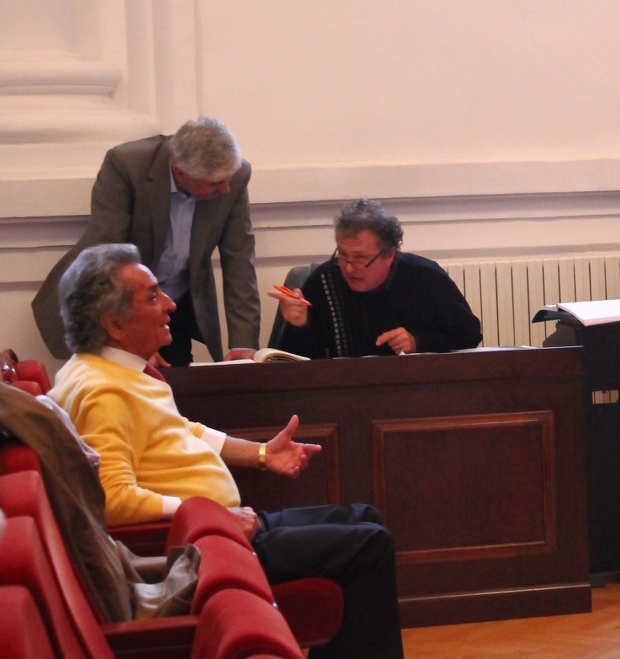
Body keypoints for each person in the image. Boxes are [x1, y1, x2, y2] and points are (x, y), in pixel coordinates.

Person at [48, 243, 404, 658]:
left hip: (222, 527)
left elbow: (182, 430)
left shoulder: (108, 371)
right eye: (152, 297)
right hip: (207, 548)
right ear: (115, 324)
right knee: (369, 544)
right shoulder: (102, 393)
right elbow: (113, 500)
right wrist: (213, 517)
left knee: (365, 516)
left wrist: (261, 454)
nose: (170, 304)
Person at [32, 117, 260, 366]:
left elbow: (240, 261)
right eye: (215, 183)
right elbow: (107, 259)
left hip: (175, 305)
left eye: (228, 178)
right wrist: (134, 343)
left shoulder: (236, 176)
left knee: (177, 382)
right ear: (180, 172)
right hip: (117, 300)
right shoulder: (126, 165)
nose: (226, 189)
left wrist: (244, 345)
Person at [272, 198, 481, 358]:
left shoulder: (426, 277)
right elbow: (293, 365)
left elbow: (469, 335)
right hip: (345, 390)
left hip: (413, 389)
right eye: (342, 255)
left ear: (389, 255)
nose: (349, 268)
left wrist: (418, 341)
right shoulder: (322, 282)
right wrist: (298, 326)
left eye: (360, 258)